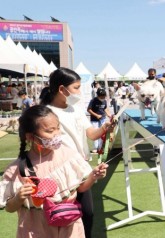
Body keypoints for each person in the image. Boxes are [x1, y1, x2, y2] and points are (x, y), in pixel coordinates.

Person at [0, 105, 108, 238]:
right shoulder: (16, 169)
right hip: (35, 231)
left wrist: (93, 176)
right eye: (50, 131)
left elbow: (80, 188)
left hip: (70, 228)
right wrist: (18, 198)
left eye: (58, 128)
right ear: (31, 137)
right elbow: (9, 208)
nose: (56, 134)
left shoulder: (68, 155)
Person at [40, 67, 113, 238]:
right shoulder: (46, 112)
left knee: (87, 214)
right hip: (59, 171)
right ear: (62, 89)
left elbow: (91, 134)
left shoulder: (76, 109)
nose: (80, 91)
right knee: (61, 216)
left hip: (82, 169)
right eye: (76, 87)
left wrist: (104, 127)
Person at [87, 88, 112, 152]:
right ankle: (95, 147)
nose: (103, 97)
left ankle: (100, 147)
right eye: (102, 96)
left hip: (102, 119)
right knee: (95, 132)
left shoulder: (104, 101)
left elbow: (105, 109)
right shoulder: (93, 100)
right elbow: (89, 110)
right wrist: (96, 115)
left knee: (102, 133)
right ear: (98, 95)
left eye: (104, 96)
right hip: (94, 120)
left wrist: (109, 115)